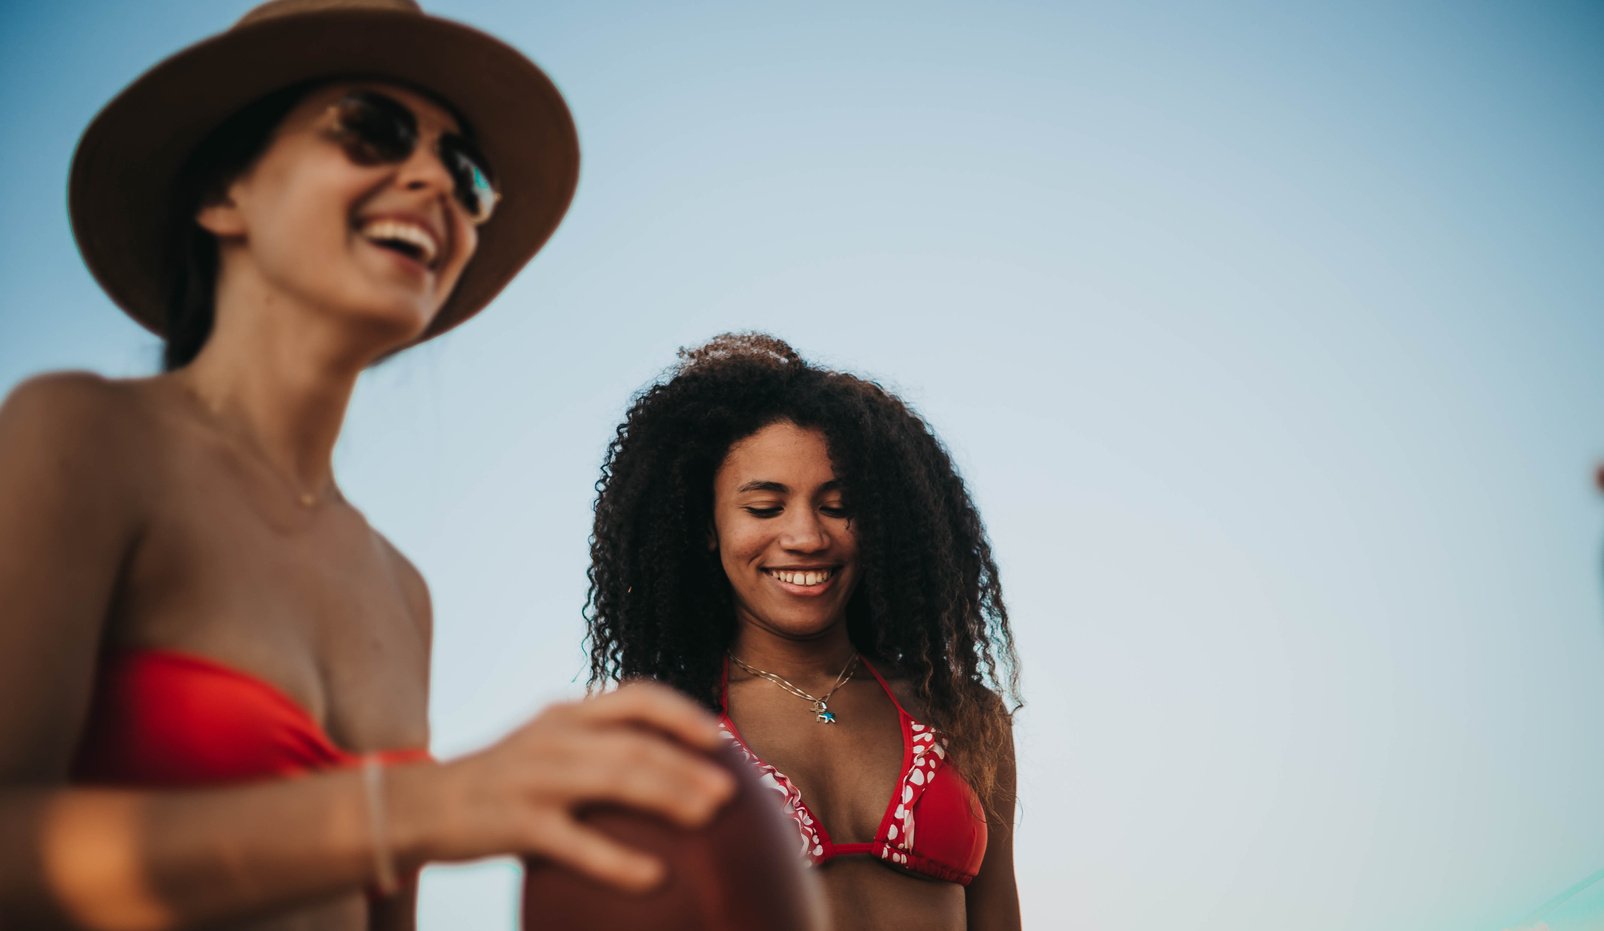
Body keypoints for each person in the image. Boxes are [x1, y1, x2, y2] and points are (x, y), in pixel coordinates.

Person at [0, 2, 735, 928]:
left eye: (467, 174)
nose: (432, 178)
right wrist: (425, 805)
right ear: (225, 193)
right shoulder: (82, 434)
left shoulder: (400, 590)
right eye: (372, 130)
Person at [584, 332, 1025, 930]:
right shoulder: (654, 735)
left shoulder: (961, 713)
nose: (806, 537)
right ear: (706, 527)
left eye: (838, 505)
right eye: (764, 508)